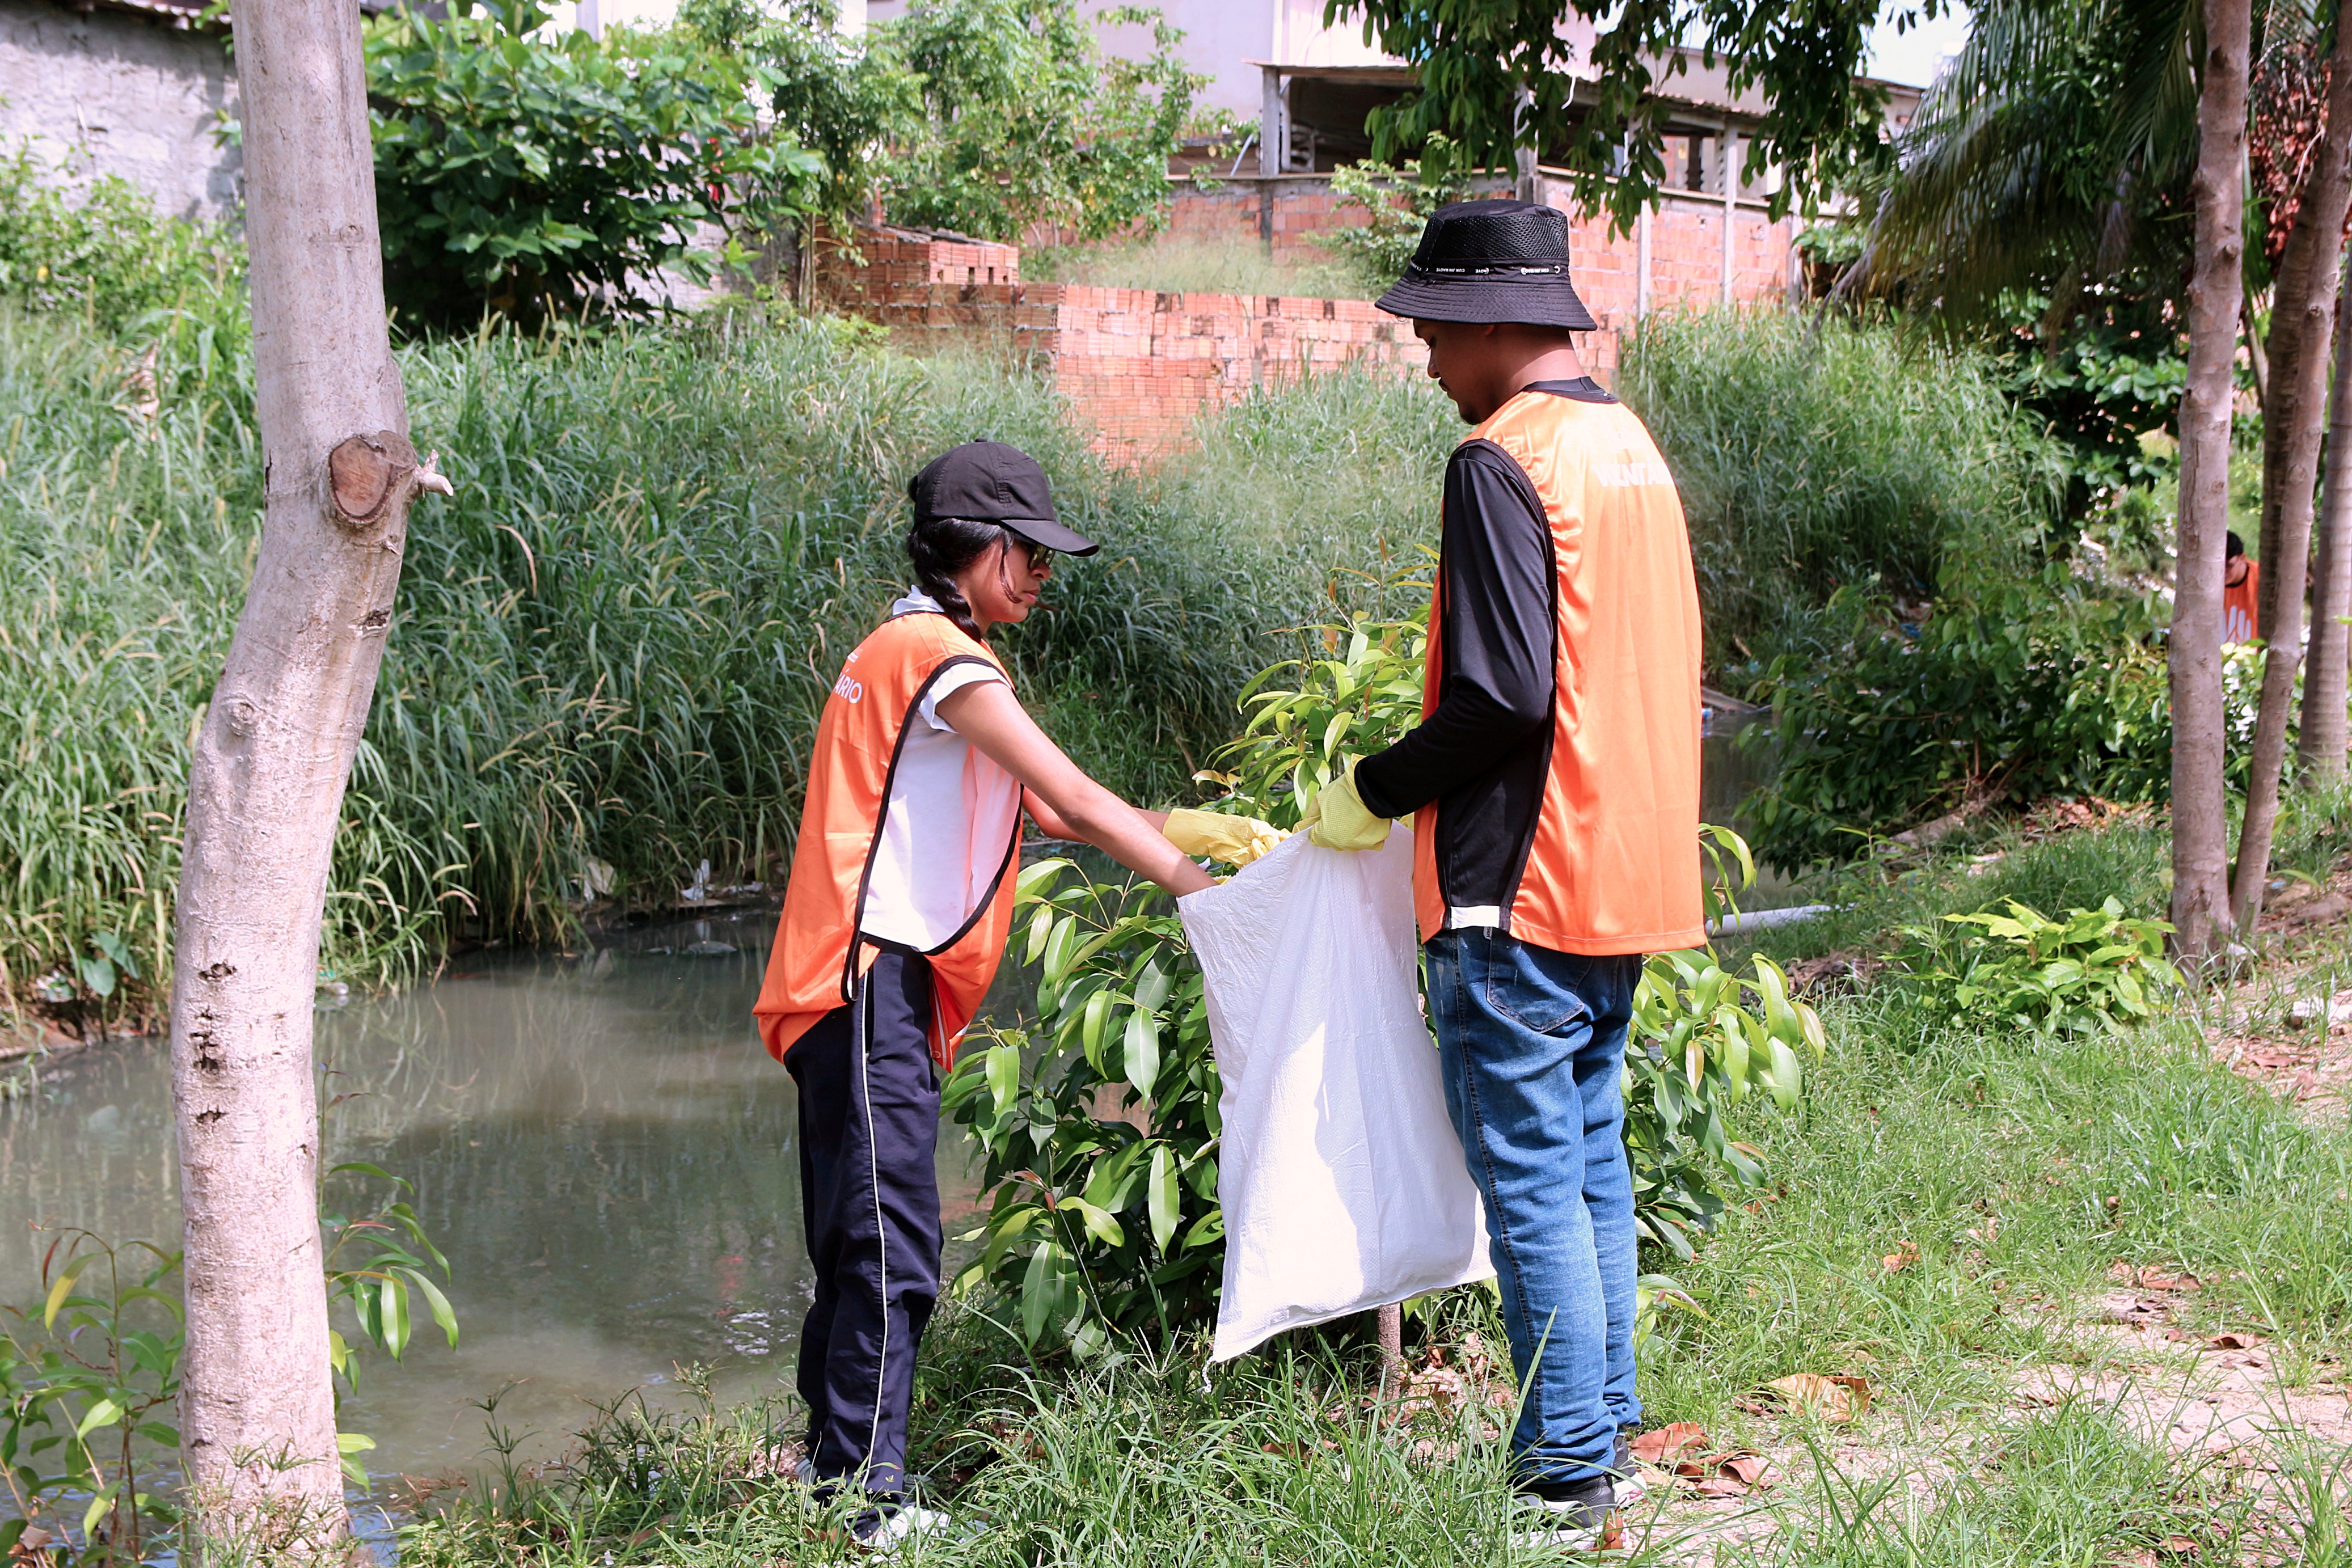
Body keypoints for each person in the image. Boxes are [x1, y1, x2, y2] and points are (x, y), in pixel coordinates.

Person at [752, 441, 1252, 1549]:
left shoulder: (906, 645)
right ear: (966, 549)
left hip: (848, 978)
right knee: (893, 1237)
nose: (1038, 573)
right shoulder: (941, 659)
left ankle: (827, 1468)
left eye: (1044, 555)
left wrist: (1190, 831)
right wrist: (1201, 890)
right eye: (1023, 551)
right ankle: (864, 1505)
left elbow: (1057, 811)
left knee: (855, 1229)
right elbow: (1067, 786)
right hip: (871, 974)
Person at [1300, 200, 1704, 1549]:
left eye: (1429, 329)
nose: (1422, 356)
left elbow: (1502, 699)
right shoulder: (1625, 447)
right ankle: (1606, 1445)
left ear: (1486, 326)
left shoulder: (1499, 459)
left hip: (1515, 885)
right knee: (1589, 1167)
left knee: (1535, 1182)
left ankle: (1563, 1475)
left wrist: (1369, 788)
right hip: (1619, 872)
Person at [2223, 530, 2260, 644]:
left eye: (2229, 566)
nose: (2222, 572)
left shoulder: (2260, 578)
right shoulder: (2201, 582)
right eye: (2217, 565)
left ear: (2242, 558)